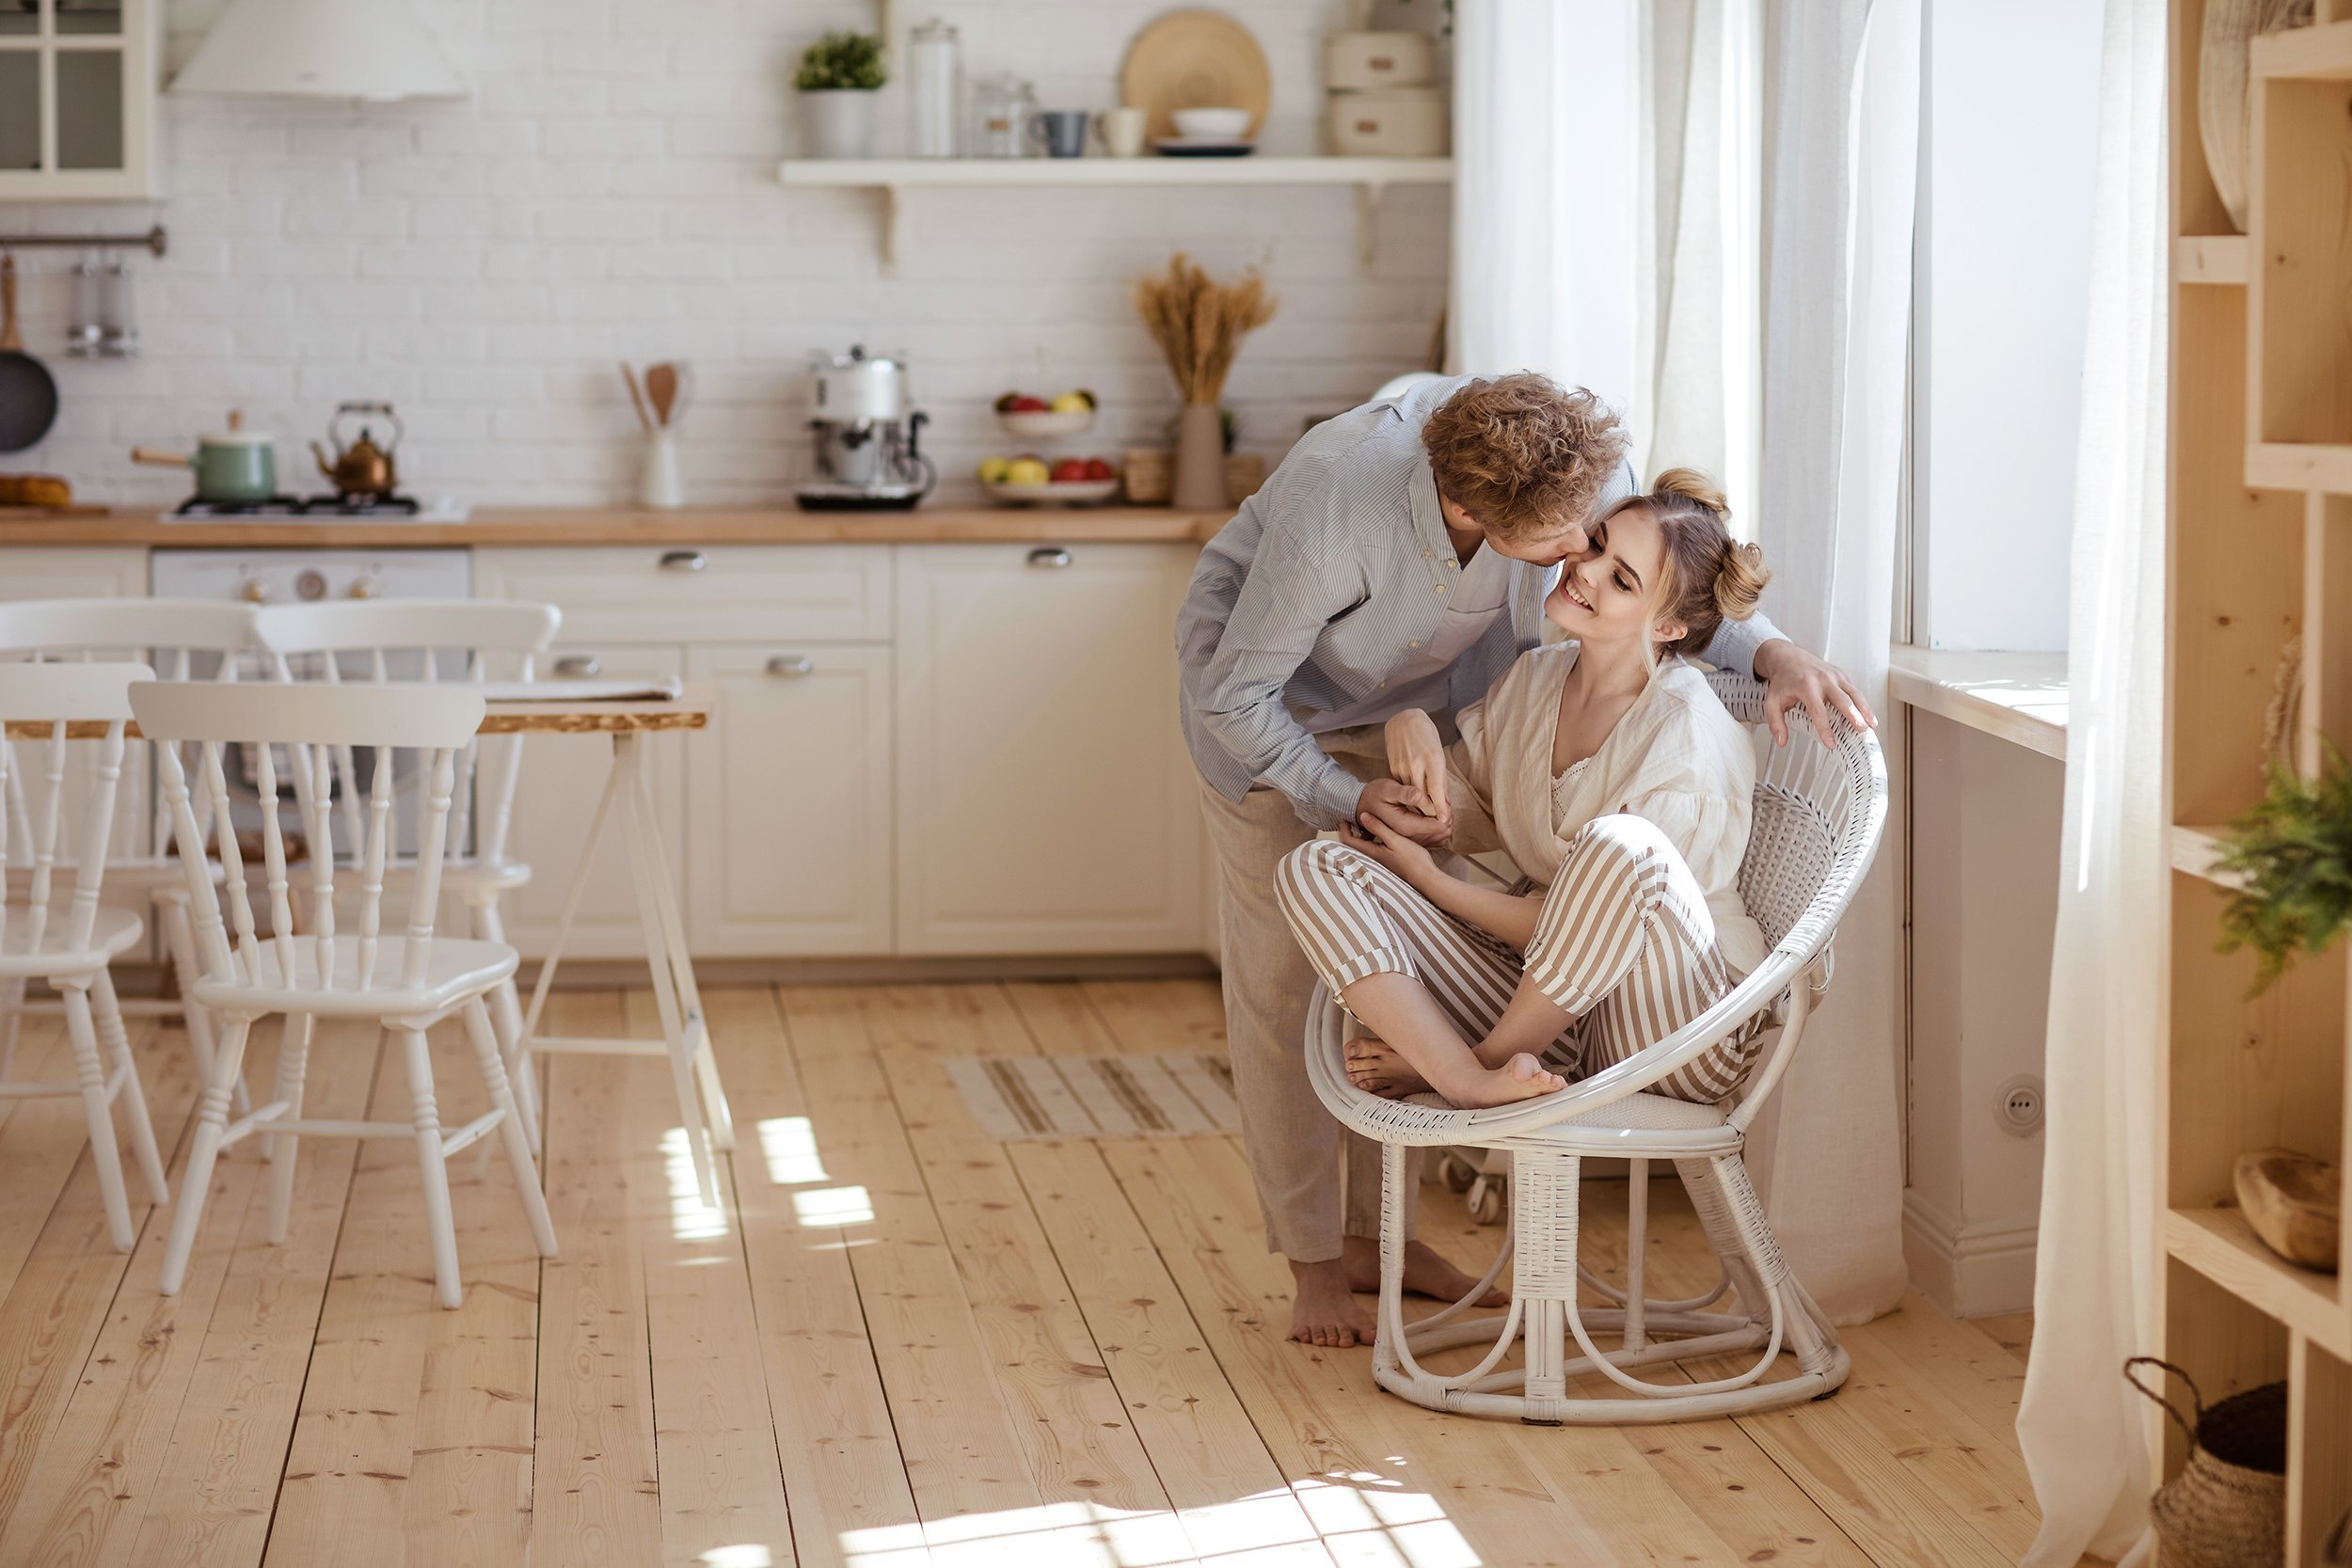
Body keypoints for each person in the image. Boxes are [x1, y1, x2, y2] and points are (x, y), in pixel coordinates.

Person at [1177, 372, 1871, 1348]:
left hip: (1661, 1005)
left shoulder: (1581, 490)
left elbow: (1682, 575)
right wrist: (1376, 783)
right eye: (1568, 545)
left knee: (1558, 879)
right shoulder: (1345, 515)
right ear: (1474, 515)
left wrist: (1777, 653)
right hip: (1270, 719)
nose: (1579, 557)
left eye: (1603, 552)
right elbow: (1236, 698)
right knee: (1291, 973)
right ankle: (1321, 1258)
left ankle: (1424, 1160)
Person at [1276, 468, 1770, 1115]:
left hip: (1677, 1031)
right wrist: (1410, 728)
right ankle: (1467, 1072)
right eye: (1597, 544)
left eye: (1622, 579)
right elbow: (1453, 812)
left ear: (1669, 627)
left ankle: (1468, 1070)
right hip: (1550, 1018)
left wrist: (1432, 882)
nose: (1586, 570)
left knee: (1624, 846)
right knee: (1316, 864)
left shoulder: (1687, 736)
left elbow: (1598, 918)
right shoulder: (1534, 681)